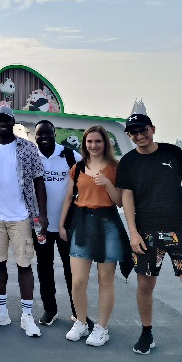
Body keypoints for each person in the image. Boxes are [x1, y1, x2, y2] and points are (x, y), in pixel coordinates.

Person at [117, 110, 182, 362]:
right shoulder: (128, 162)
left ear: (153, 129)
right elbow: (127, 198)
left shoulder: (173, 153)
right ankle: (146, 332)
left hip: (179, 230)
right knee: (145, 286)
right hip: (146, 232)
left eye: (143, 130)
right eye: (133, 133)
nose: (139, 136)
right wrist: (133, 232)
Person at [0, 105, 47, 338]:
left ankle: (27, 315)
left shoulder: (28, 147)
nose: (2, 123)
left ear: (13, 122)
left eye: (6, 119)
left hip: (21, 216)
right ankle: (1, 312)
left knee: (24, 265)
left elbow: (39, 180)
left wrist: (42, 215)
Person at [58, 126, 131, 347]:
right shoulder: (78, 167)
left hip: (107, 223)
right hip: (81, 223)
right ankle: (81, 322)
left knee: (105, 279)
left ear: (105, 143)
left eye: (98, 141)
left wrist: (107, 183)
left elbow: (120, 201)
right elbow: (69, 197)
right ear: (84, 144)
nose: (93, 145)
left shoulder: (116, 167)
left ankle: (102, 327)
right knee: (78, 280)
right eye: (89, 141)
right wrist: (61, 225)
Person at [32, 120, 83, 326]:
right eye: (40, 134)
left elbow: (85, 182)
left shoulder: (70, 155)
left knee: (72, 270)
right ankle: (50, 310)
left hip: (66, 225)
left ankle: (78, 312)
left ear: (54, 134)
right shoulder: (32, 156)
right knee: (44, 268)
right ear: (35, 136)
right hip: (40, 225)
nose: (44, 137)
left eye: (48, 133)